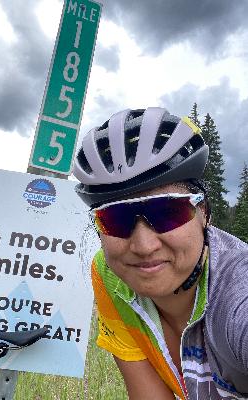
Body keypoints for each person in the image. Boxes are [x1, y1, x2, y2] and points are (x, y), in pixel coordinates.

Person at [73, 107, 248, 400]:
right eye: (116, 219)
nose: (143, 246)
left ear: (203, 212)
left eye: (168, 212)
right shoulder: (111, 274)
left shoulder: (238, 296)